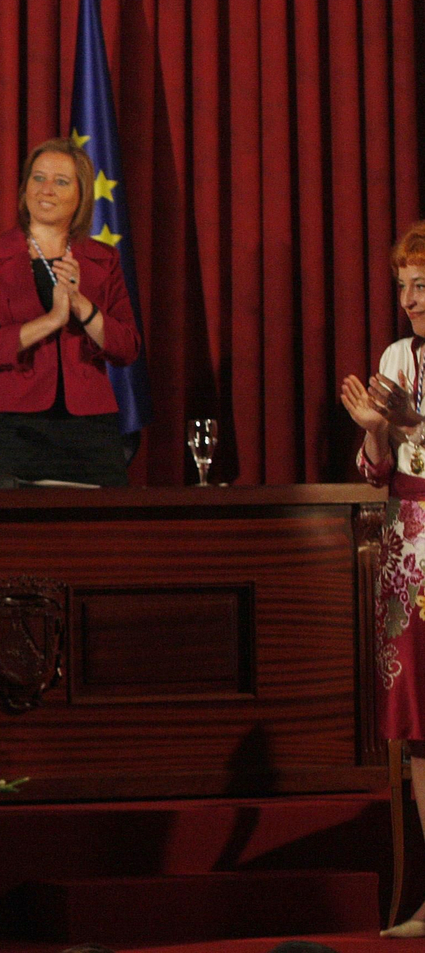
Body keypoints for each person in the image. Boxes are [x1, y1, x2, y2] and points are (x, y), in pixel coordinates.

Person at [0, 137, 140, 487]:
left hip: (90, 430)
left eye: (61, 181)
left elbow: (126, 348)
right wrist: (52, 321)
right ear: (24, 186)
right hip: (11, 427)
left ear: (81, 195)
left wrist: (81, 307)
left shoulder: (103, 259)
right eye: (38, 178)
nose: (46, 190)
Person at [342, 220, 425, 940]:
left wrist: (414, 420)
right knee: (419, 727)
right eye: (403, 286)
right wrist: (376, 427)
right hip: (405, 547)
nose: (409, 300)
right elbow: (374, 472)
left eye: (421, 285)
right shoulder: (398, 354)